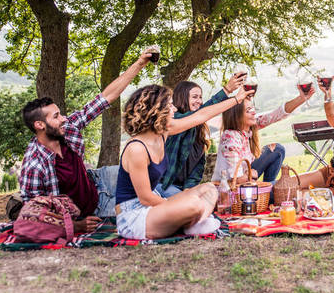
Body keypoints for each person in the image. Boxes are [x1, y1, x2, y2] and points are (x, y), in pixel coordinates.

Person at [19, 48, 156, 232]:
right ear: (39, 125)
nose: (63, 119)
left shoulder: (66, 129)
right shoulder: (34, 165)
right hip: (92, 209)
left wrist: (140, 63)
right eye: (56, 116)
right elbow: (32, 215)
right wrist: (75, 226)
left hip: (98, 181)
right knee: (147, 212)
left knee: (149, 177)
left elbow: (106, 98)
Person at [116, 84, 253, 240]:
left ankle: (192, 221)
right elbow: (145, 198)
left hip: (156, 207)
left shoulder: (164, 132)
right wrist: (178, 204)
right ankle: (194, 221)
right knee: (194, 204)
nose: (174, 109)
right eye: (169, 105)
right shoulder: (136, 149)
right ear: (156, 111)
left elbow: (202, 115)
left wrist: (237, 99)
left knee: (210, 189)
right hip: (135, 218)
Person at [156, 73, 247, 198]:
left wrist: (188, 189)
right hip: (163, 186)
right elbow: (202, 113)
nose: (199, 101)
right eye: (194, 97)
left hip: (181, 188)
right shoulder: (174, 121)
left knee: (213, 196)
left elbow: (197, 169)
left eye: (200, 97)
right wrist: (228, 92)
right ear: (182, 98)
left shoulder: (199, 131)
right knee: (194, 204)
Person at [211, 85, 314, 185]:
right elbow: (237, 179)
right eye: (248, 110)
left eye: (253, 108)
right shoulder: (230, 137)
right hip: (231, 189)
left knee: (277, 149)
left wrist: (301, 99)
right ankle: (268, 190)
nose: (253, 112)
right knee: (283, 186)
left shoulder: (248, 129)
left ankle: (266, 189)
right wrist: (251, 175)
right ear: (236, 116)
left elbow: (277, 114)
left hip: (246, 177)